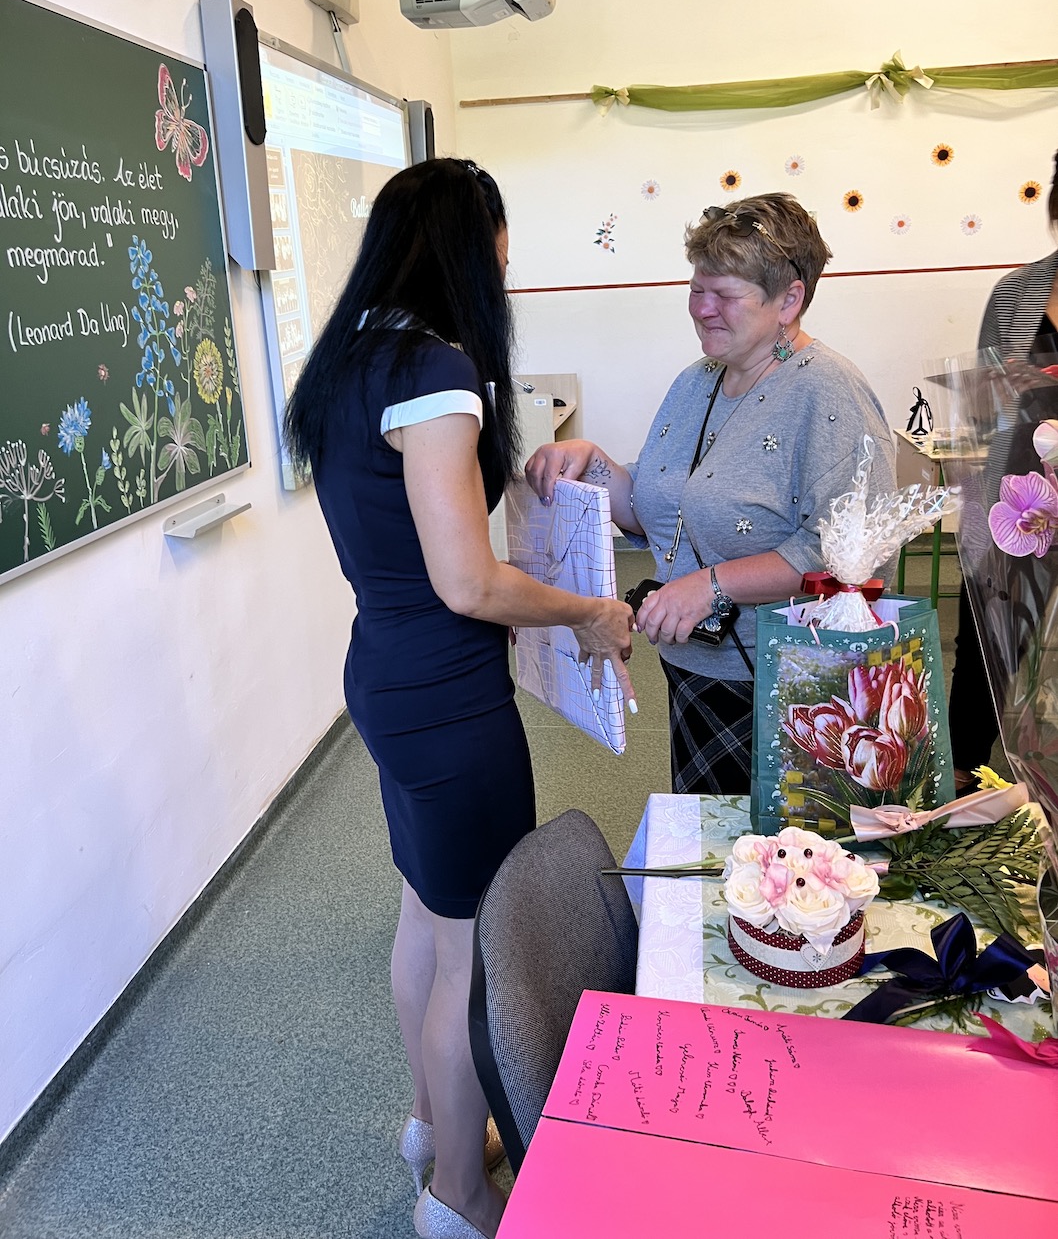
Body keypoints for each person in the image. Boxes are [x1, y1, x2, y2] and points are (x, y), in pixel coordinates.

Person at [283, 158, 634, 1239]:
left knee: (426, 918)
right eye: (499, 256)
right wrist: (586, 610)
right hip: (445, 694)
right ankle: (457, 1193)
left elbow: (416, 544)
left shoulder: (349, 358)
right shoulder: (433, 370)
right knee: (473, 949)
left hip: (386, 673)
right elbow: (468, 583)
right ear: (466, 253)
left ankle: (434, 1128)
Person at [526, 194, 895, 796]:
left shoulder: (829, 391)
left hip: (794, 685)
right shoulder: (696, 381)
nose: (702, 309)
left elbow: (852, 558)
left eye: (724, 294)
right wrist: (592, 466)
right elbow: (659, 506)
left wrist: (712, 585)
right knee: (713, 839)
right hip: (694, 668)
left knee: (784, 846)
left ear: (789, 300)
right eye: (697, 289)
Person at [948, 151, 1058, 786]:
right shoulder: (1017, 292)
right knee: (989, 652)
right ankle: (964, 775)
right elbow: (983, 410)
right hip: (1015, 508)